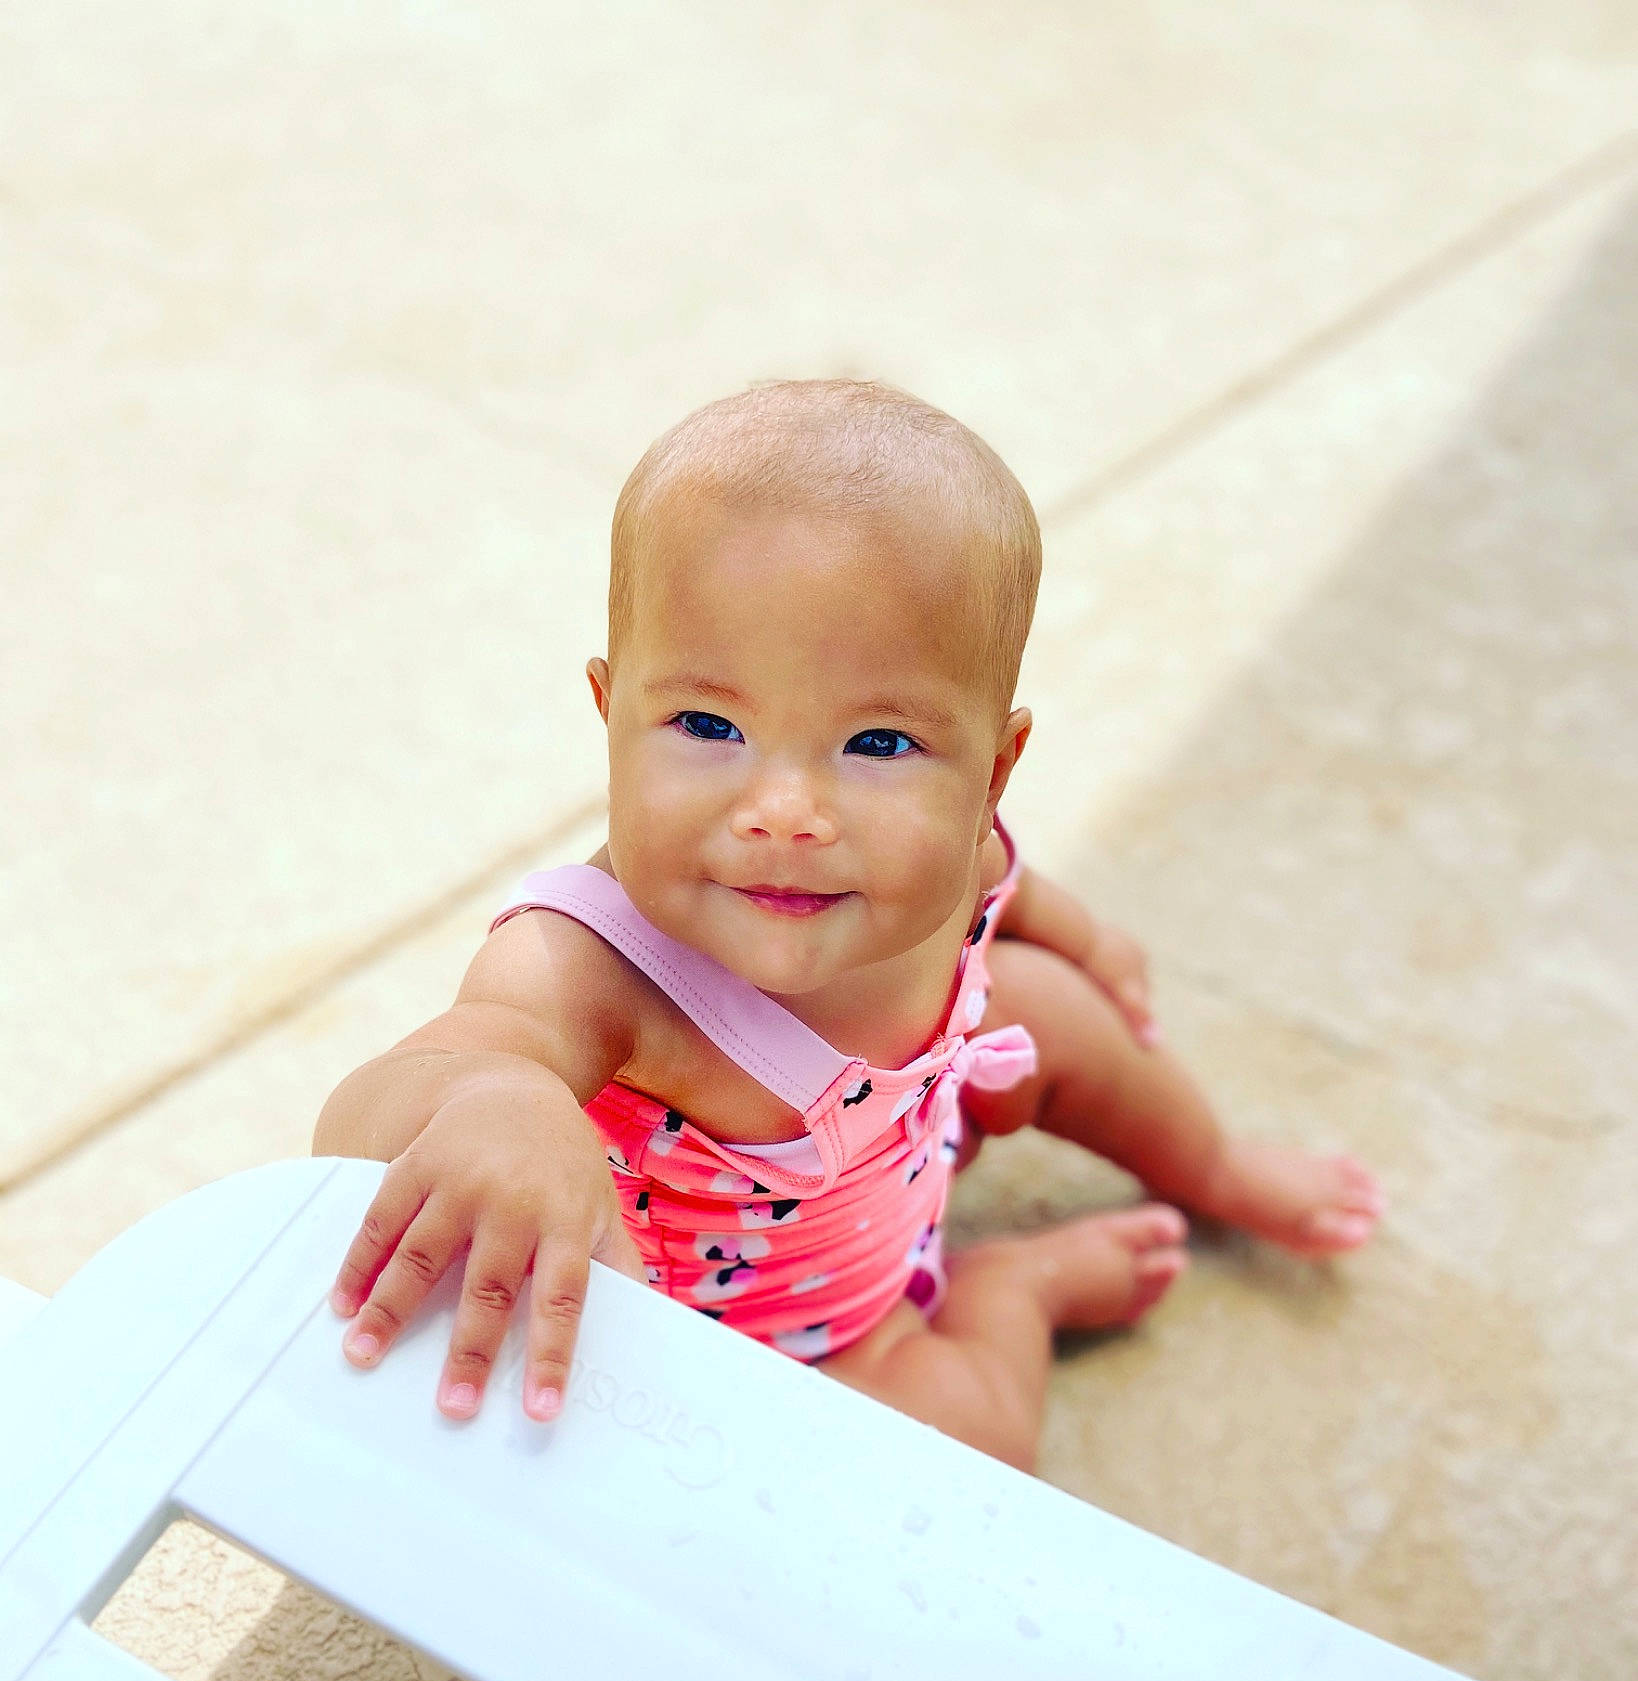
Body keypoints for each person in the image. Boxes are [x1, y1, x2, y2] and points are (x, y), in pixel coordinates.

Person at [316, 381, 1381, 1472]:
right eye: (706, 723)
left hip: (906, 1156)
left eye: (876, 745)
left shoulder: (950, 858)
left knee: (1054, 1006)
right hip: (800, 1342)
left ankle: (1211, 1161)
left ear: (989, 770)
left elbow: (1009, 875)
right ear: (609, 716)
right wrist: (497, 1095)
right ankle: (1015, 1295)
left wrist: (1089, 940)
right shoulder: (593, 962)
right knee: (974, 1448)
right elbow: (369, 1106)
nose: (785, 811)